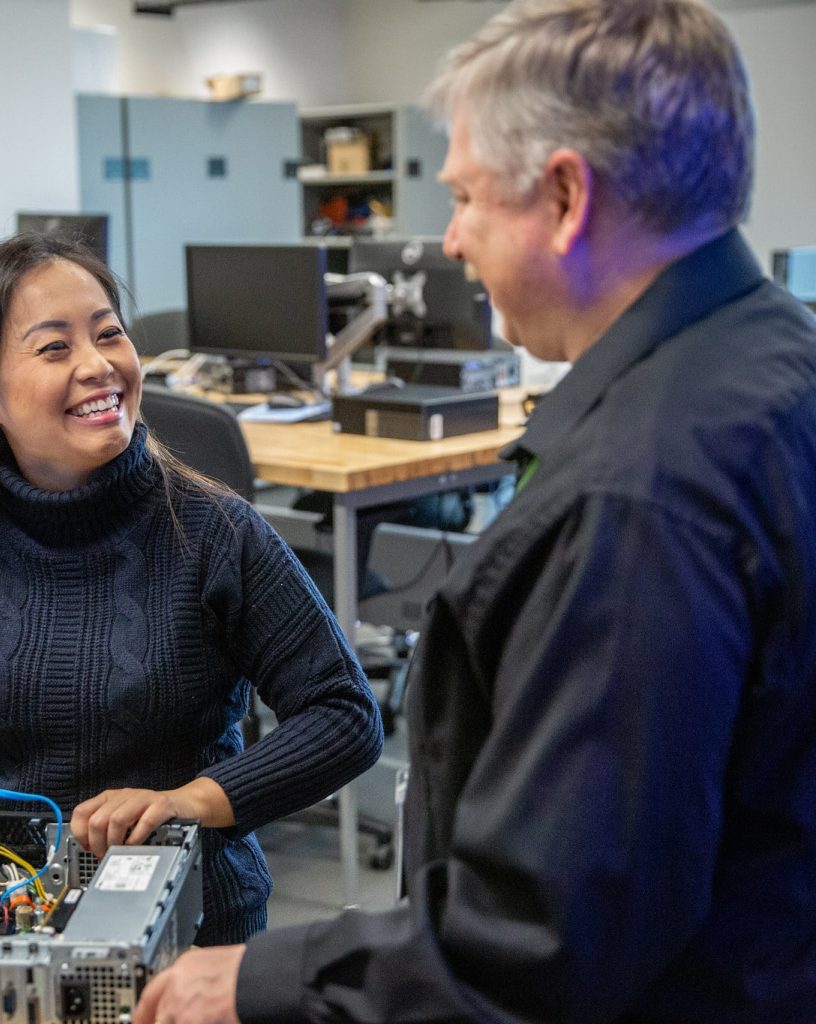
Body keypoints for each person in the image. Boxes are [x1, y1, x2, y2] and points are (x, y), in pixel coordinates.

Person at [132, 0, 816, 1020]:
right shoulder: (776, 355)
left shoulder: (635, 498)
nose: (448, 238)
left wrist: (258, 981)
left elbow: (546, 932)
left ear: (565, 195)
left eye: (463, 198)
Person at [0, 232, 384, 947]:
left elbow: (343, 714)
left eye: (109, 334)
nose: (99, 366)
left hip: (185, 922)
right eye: (55, 348)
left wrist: (193, 802)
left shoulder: (214, 531)